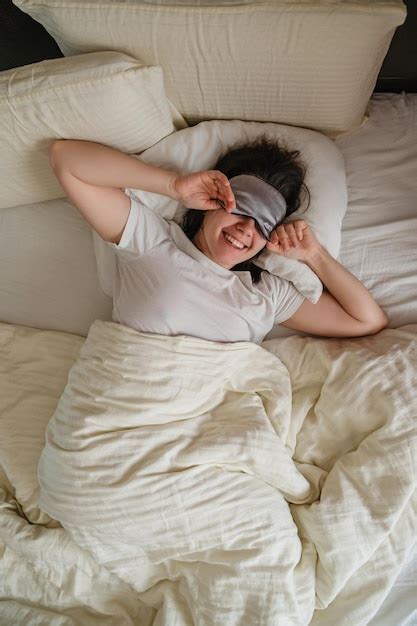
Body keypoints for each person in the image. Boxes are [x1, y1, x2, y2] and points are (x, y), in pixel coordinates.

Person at [48, 135, 388, 343]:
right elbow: (65, 158)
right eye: (241, 210)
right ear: (212, 204)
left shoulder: (267, 294)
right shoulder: (151, 241)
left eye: (262, 225)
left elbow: (368, 321)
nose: (246, 230)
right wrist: (173, 186)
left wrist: (314, 256)